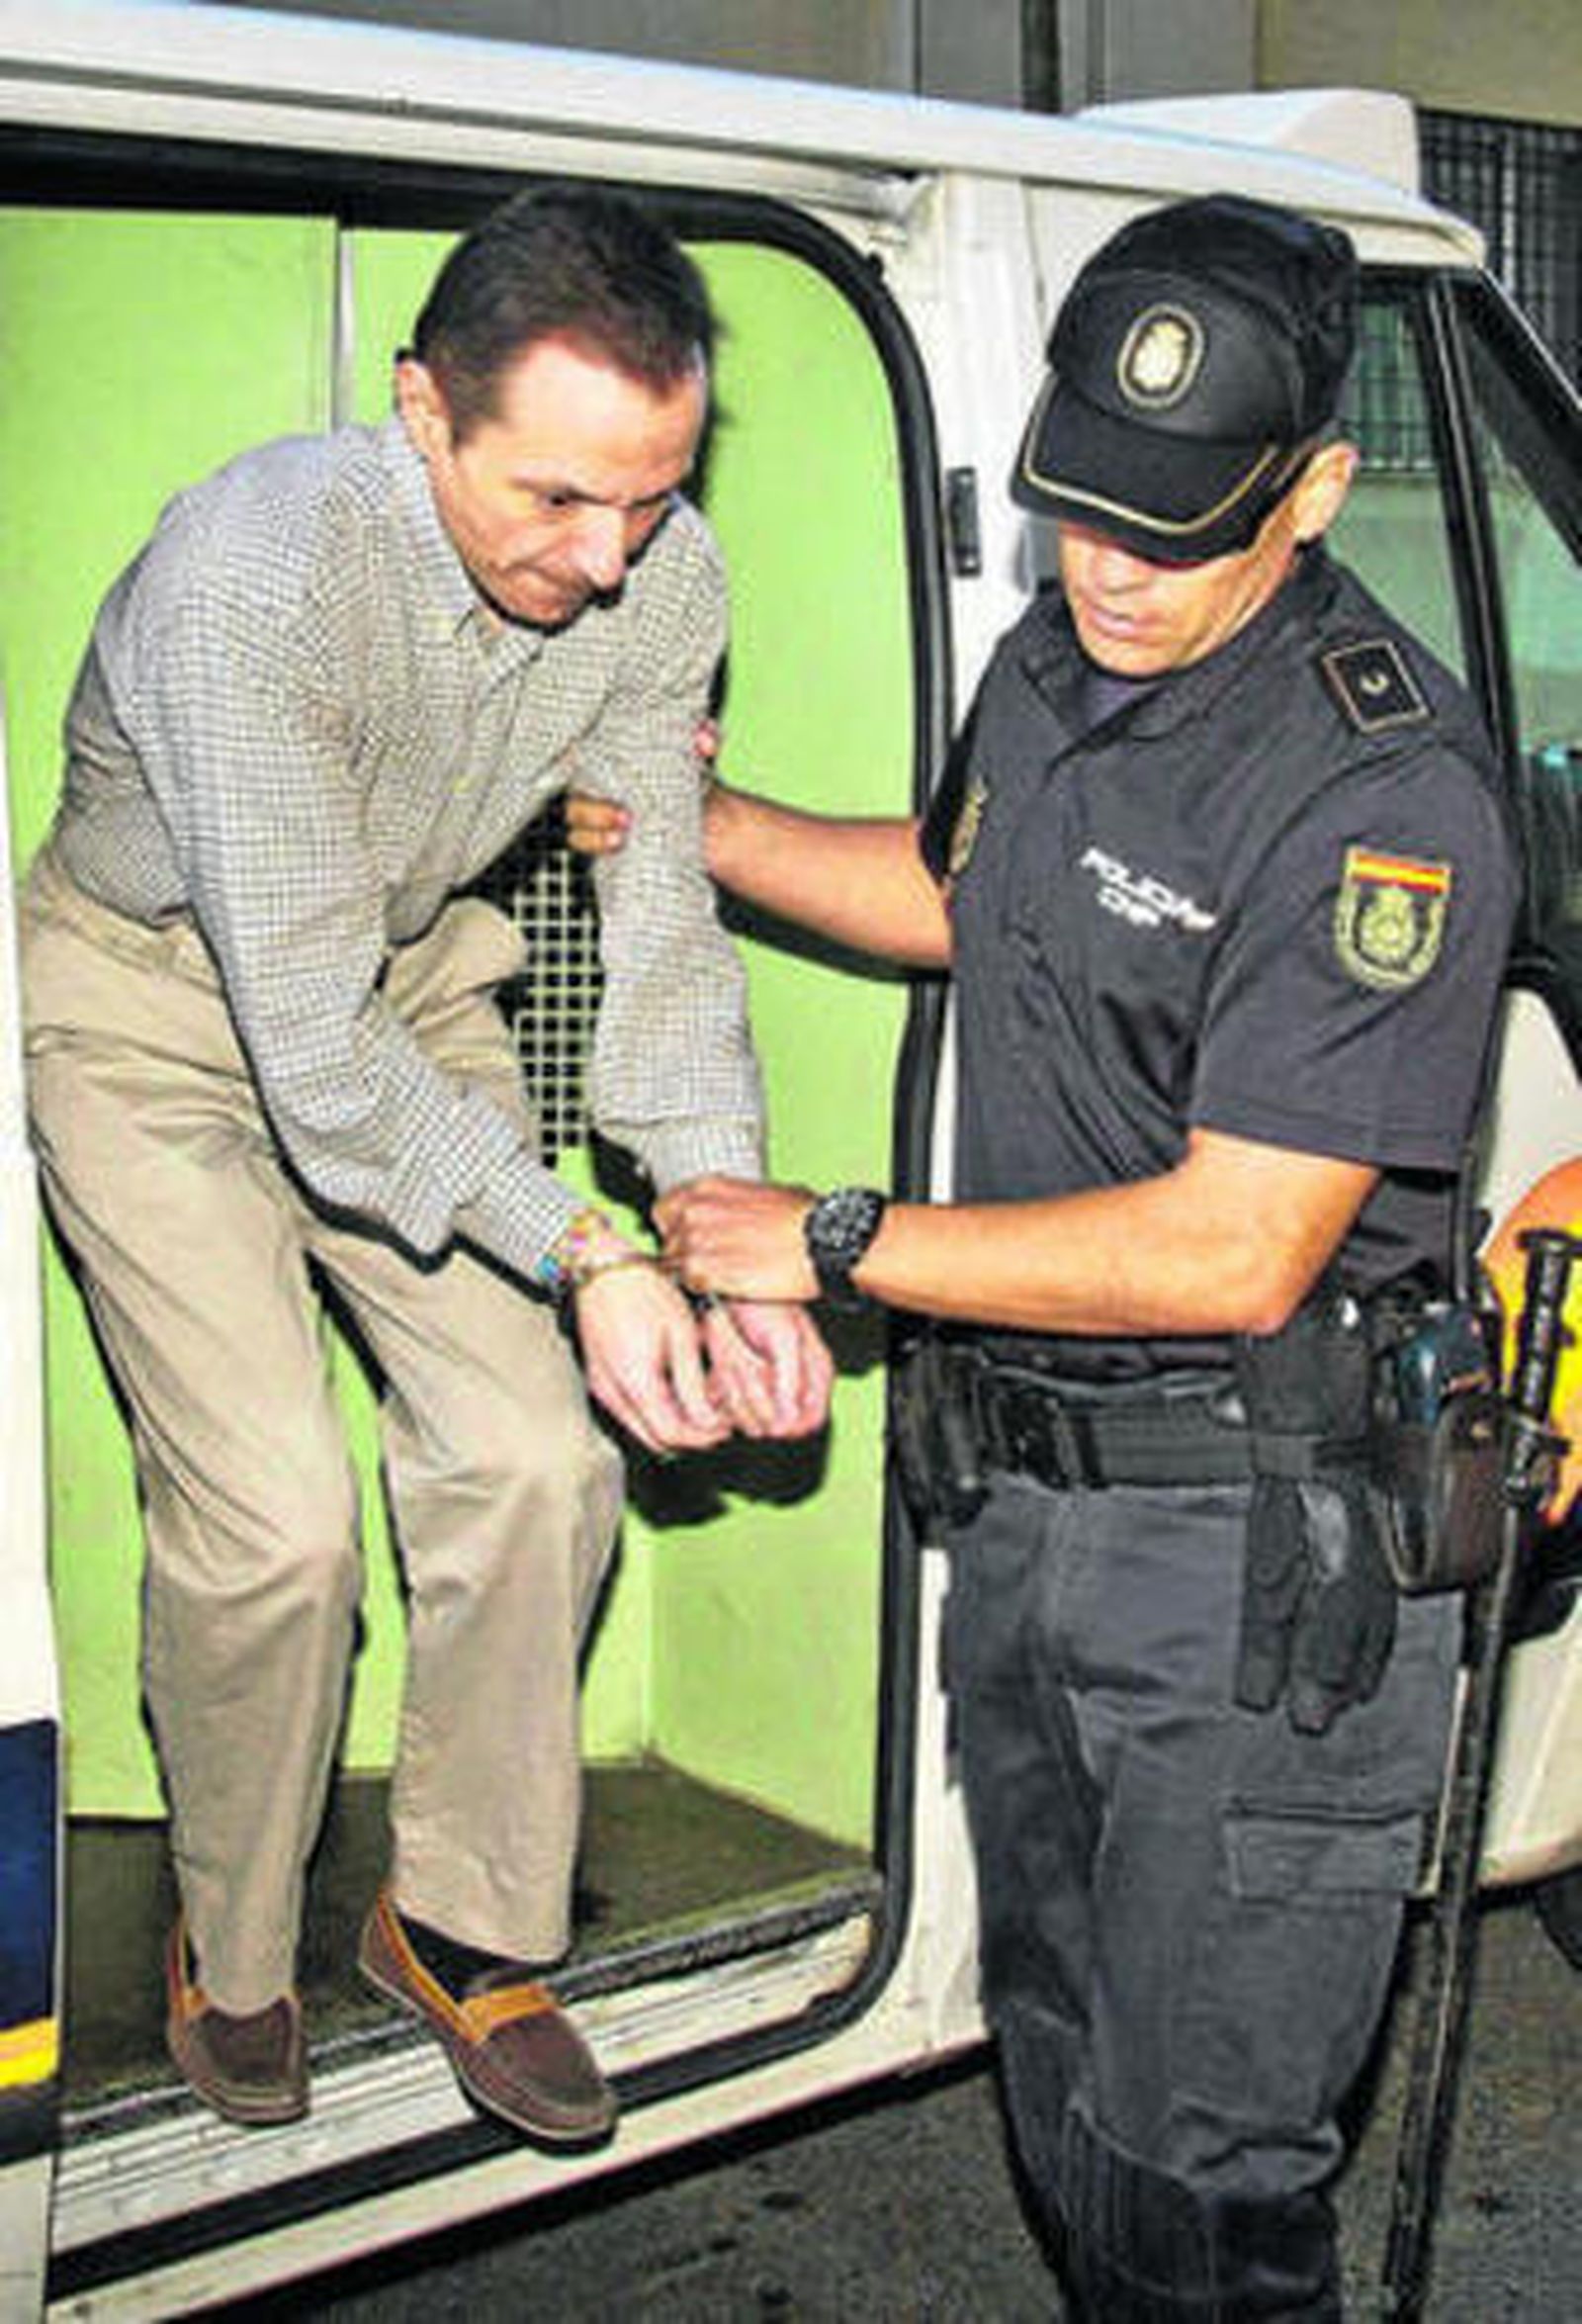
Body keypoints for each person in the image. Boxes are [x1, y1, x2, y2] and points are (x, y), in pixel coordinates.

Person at [576, 195, 1518, 2315]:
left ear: (1313, 494)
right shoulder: (1058, 658)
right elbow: (967, 890)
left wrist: (835, 1240)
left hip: (1248, 1573)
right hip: (1025, 1510)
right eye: (1075, 510)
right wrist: (707, 830)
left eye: (1168, 534)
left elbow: (1229, 1245)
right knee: (1069, 2091)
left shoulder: (1380, 791)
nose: (1105, 566)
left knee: (1203, 2180)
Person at [21, 185, 832, 2145]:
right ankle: (228, 1945)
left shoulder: (663, 577)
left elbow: (655, 925)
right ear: (419, 409)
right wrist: (578, 1240)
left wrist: (716, 1234)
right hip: (154, 1021)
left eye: (648, 494)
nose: (606, 553)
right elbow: (304, 1062)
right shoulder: (255, 581)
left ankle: (458, 1920)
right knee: (281, 1526)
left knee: (545, 1460)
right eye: (555, 498)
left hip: (408, 991)